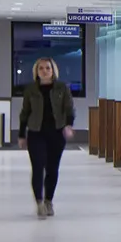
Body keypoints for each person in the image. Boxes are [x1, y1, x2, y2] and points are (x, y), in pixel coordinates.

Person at [18, 57, 73, 217]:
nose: (44, 71)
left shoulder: (62, 88)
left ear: (53, 70)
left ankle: (49, 201)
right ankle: (39, 202)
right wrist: (21, 134)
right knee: (37, 167)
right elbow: (25, 113)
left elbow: (69, 108)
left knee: (52, 168)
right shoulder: (31, 90)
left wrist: (68, 125)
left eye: (48, 68)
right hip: (36, 133)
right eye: (41, 68)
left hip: (56, 133)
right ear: (36, 71)